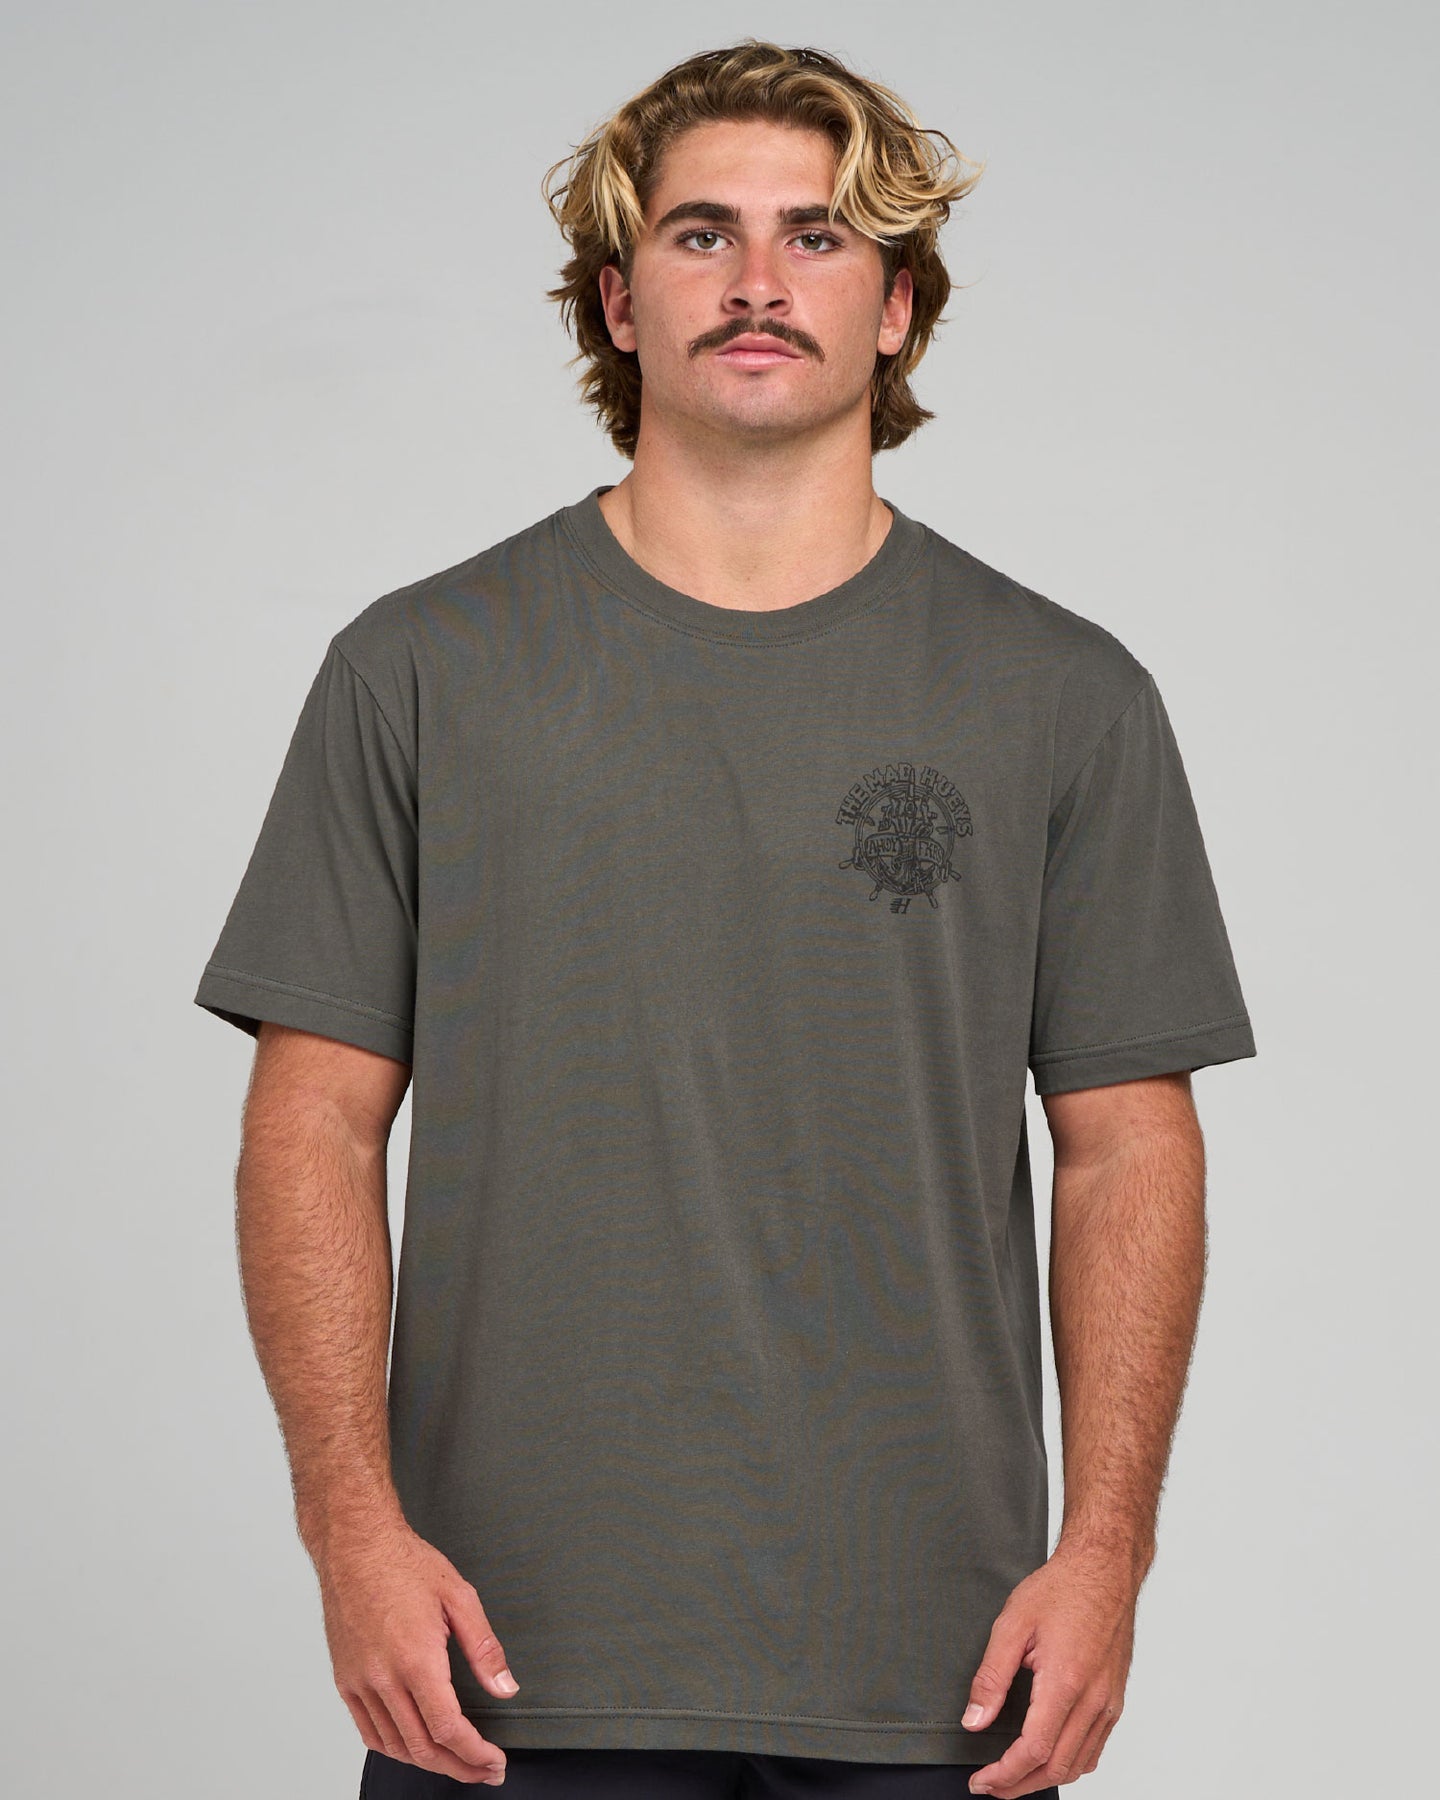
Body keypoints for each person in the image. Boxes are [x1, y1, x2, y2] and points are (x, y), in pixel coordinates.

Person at [193, 38, 1257, 1800]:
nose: (760, 280)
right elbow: (310, 1121)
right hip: (507, 1672)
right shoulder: (421, 671)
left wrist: (1109, 1552)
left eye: (819, 236)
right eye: (703, 234)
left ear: (897, 307)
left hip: (938, 1668)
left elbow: (1127, 1145)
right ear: (618, 299)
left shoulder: (1062, 694)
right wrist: (348, 1531)